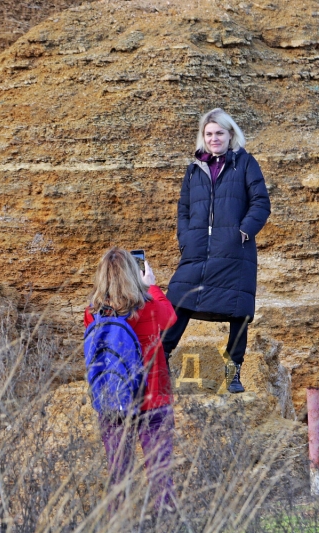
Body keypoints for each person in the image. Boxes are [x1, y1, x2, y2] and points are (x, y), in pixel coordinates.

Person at [163, 108, 271, 393]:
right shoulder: (193, 169)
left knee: (239, 313)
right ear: (203, 137)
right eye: (209, 134)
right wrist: (185, 238)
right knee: (178, 302)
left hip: (235, 251)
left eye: (219, 133)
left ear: (230, 134)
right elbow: (183, 209)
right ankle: (159, 364)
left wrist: (243, 232)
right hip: (197, 250)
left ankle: (232, 374)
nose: (214, 139)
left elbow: (261, 202)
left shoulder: (246, 164)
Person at [84, 247, 177, 513]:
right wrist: (153, 287)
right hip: (153, 399)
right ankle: (166, 525)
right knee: (160, 475)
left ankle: (119, 524)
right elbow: (170, 317)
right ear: (134, 273)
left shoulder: (92, 313)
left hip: (114, 399)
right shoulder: (148, 307)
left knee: (118, 475)